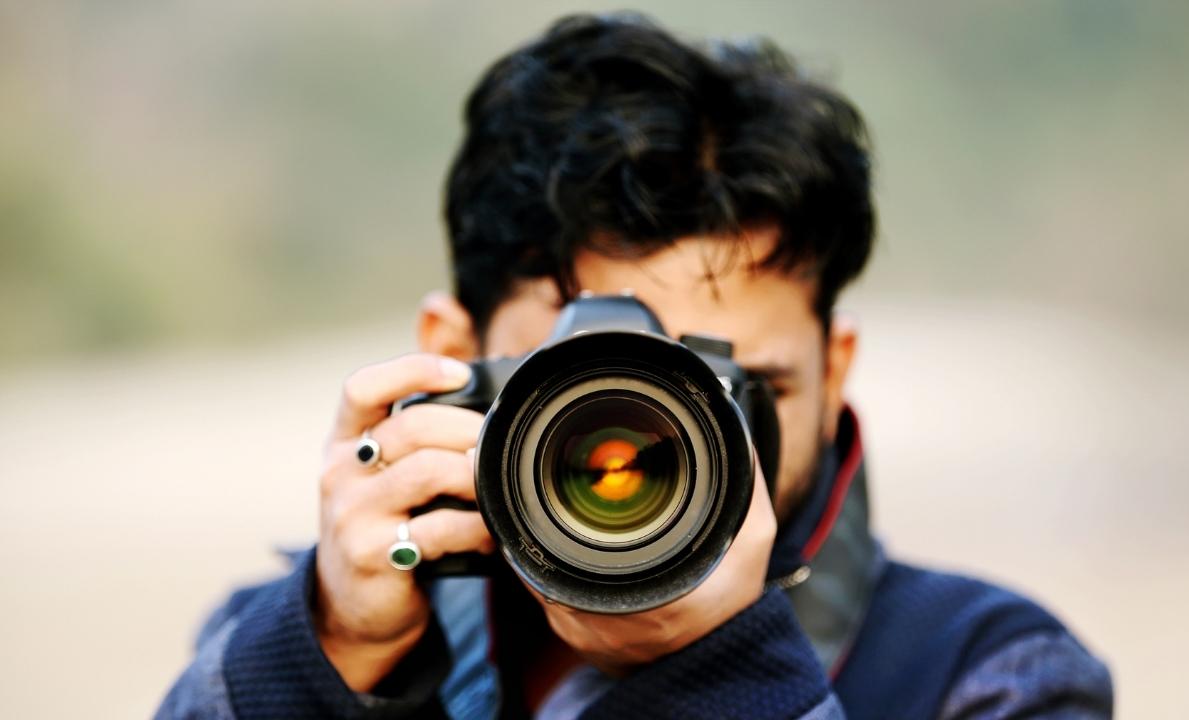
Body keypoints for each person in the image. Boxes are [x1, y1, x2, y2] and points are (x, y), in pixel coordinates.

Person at [157, 13, 1113, 720]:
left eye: (738, 394)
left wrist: (731, 677)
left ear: (835, 371)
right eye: (588, 396)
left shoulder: (989, 672)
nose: (656, 460)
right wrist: (322, 661)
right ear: (451, 358)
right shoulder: (301, 639)